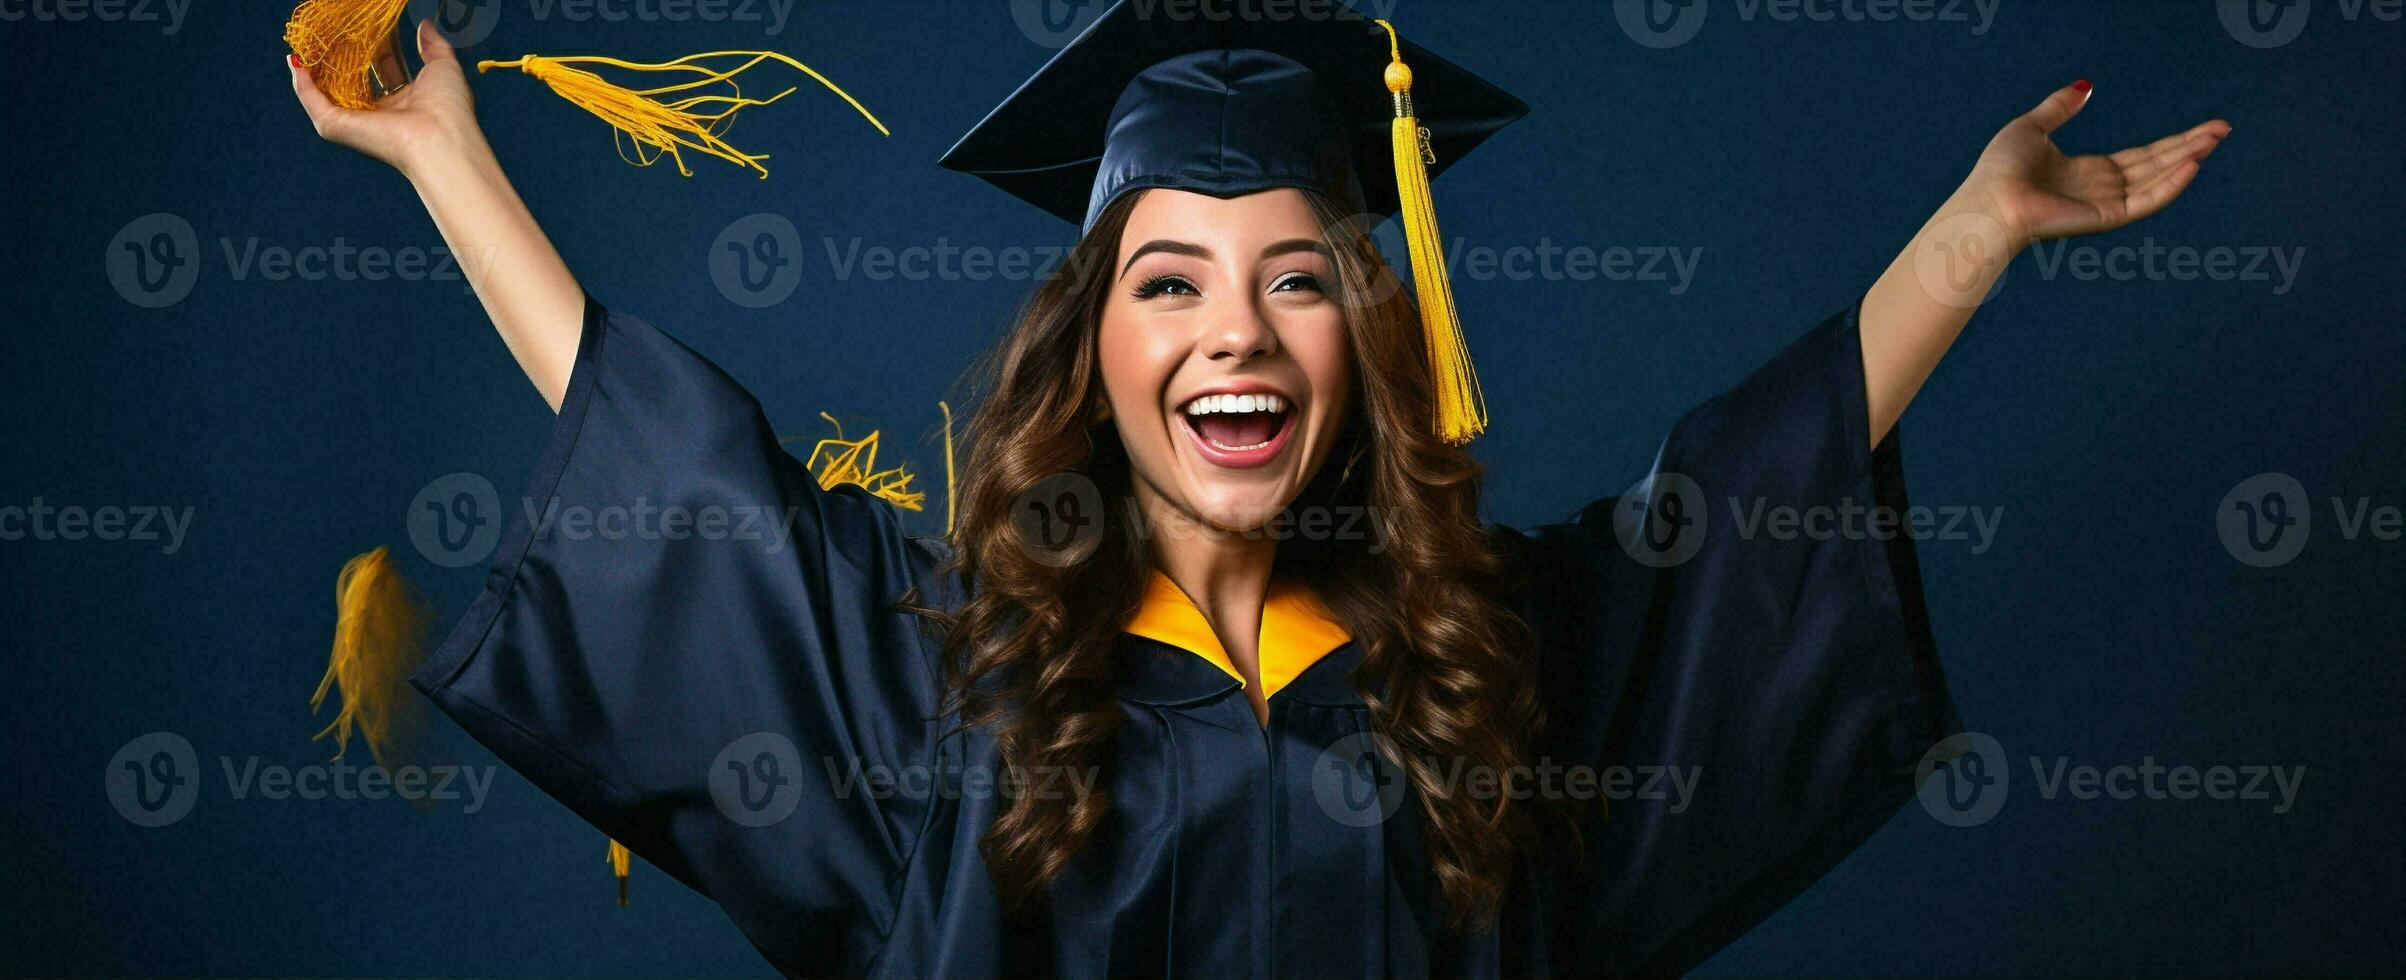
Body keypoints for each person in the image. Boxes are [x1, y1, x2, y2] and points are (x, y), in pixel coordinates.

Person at [288, 4, 2227, 975]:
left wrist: (1980, 229)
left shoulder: (1487, 682)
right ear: (1097, 352)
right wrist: (446, 156)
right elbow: (695, 491)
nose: (1238, 331)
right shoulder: (949, 692)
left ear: (1359, 339)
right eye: (1170, 279)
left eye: (1300, 274)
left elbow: (1736, 518)